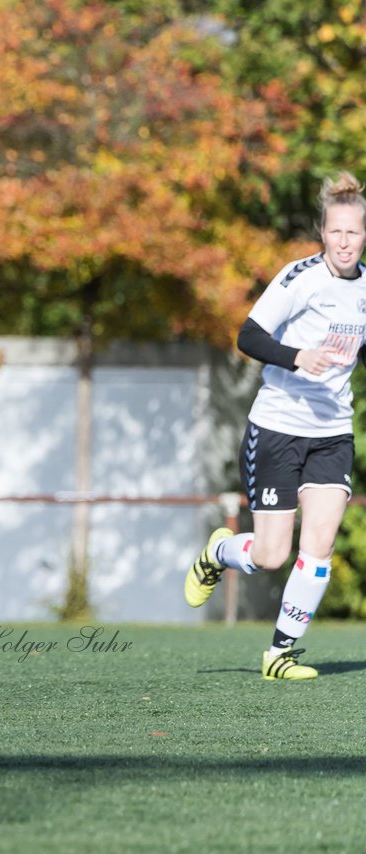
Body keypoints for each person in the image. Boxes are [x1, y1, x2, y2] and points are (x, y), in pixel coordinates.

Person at [185, 171, 366, 681]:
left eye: (353, 232)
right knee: (270, 555)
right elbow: (248, 336)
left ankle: (280, 654)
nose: (344, 241)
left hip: (332, 430)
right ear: (322, 232)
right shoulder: (300, 277)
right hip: (278, 427)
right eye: (336, 232)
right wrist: (297, 356)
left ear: (364, 234)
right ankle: (220, 551)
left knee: (322, 542)